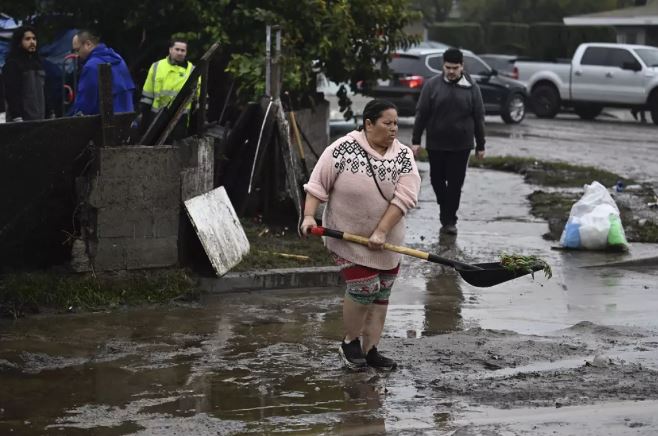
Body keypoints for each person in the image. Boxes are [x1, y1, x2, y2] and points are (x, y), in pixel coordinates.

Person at [300, 99, 421, 371]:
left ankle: (371, 350)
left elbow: (405, 198)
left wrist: (381, 231)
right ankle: (350, 342)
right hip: (347, 238)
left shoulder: (403, 156)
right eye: (386, 123)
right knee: (365, 288)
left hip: (388, 241)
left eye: (396, 124)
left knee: (382, 294)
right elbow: (317, 184)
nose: (393, 129)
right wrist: (309, 216)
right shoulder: (342, 149)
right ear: (369, 123)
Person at [411, 47, 485, 235]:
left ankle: (449, 220)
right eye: (448, 67)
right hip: (436, 144)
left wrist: (481, 145)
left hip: (462, 145)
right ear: (443, 66)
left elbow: (479, 117)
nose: (451, 71)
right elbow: (422, 114)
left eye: (455, 68)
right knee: (437, 181)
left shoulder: (471, 87)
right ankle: (445, 208)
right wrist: (416, 140)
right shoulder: (432, 85)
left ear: (461, 66)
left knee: (455, 184)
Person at [139, 38, 196, 139]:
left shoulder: (193, 71)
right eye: (177, 49)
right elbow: (147, 95)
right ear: (170, 50)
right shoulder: (157, 66)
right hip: (156, 117)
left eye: (183, 50)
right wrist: (144, 119)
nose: (179, 53)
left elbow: (198, 98)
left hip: (180, 120)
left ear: (186, 52)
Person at [71, 29, 134, 115]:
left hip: (105, 124)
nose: (76, 55)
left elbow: (85, 104)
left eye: (77, 50)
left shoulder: (91, 66)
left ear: (88, 44)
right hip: (127, 120)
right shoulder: (118, 58)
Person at [2, 26, 48, 121]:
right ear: (19, 42)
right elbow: (11, 93)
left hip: (39, 118)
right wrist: (17, 116)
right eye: (27, 39)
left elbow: (44, 90)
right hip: (21, 120)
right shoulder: (12, 64)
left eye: (34, 39)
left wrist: (50, 111)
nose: (32, 42)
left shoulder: (38, 64)